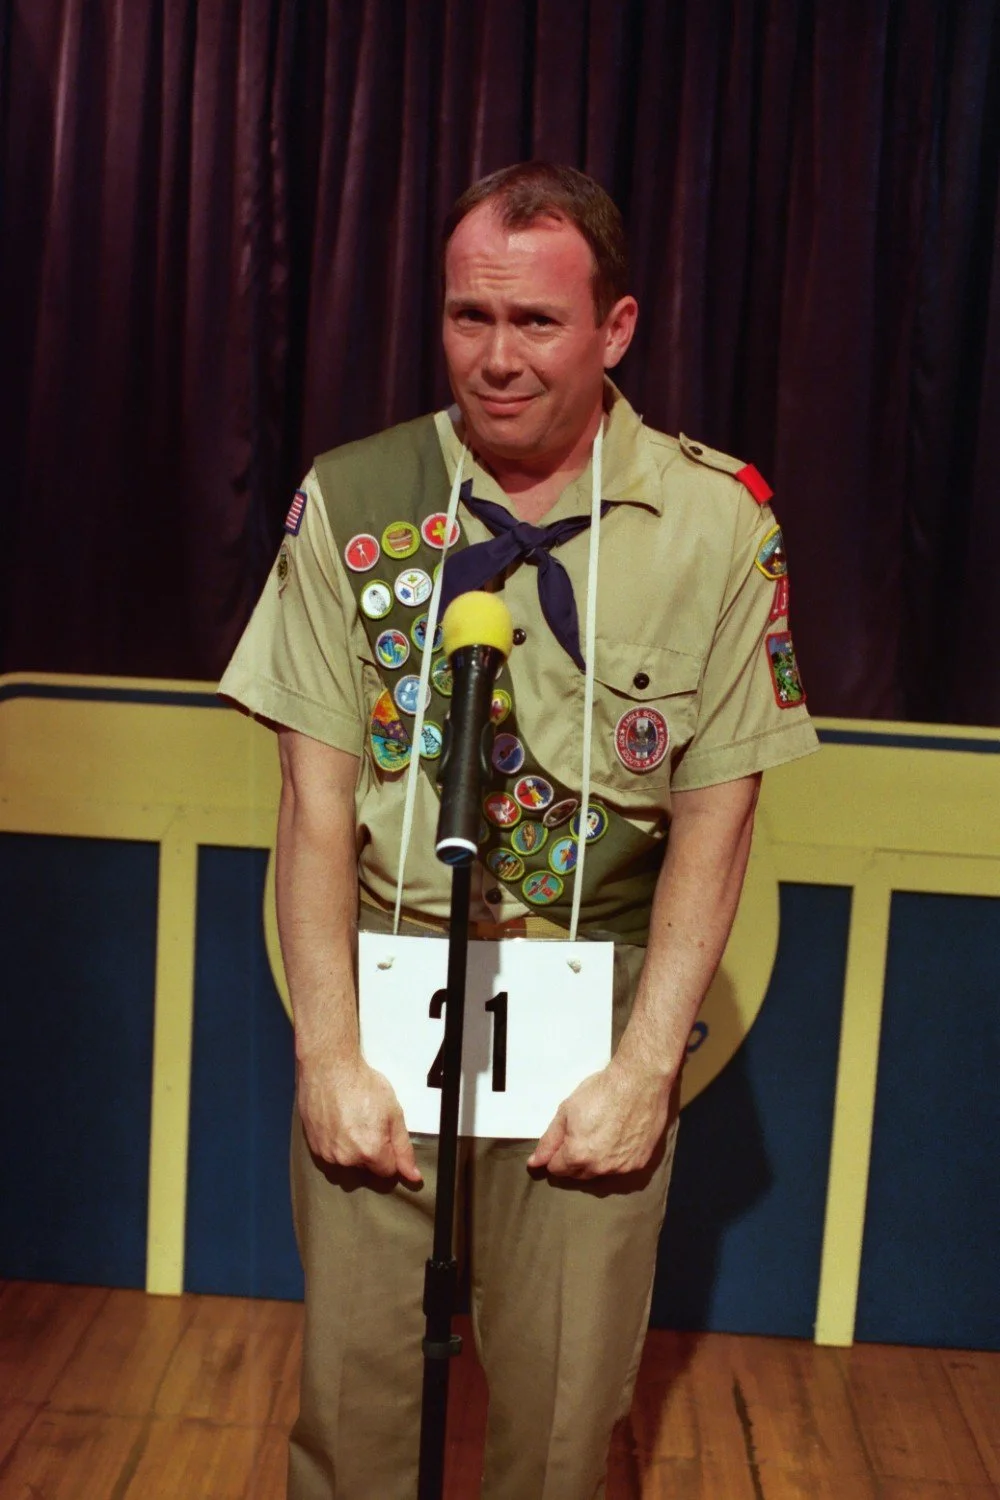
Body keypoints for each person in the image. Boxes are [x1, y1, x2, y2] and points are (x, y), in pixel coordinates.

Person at [219, 161, 818, 1499]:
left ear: (616, 329)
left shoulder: (720, 525)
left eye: (536, 323)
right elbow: (314, 806)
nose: (495, 358)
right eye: (467, 317)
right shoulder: (355, 504)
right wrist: (326, 1053)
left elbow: (718, 829)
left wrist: (646, 1072)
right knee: (355, 1419)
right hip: (388, 998)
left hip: (588, 1014)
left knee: (559, 1432)